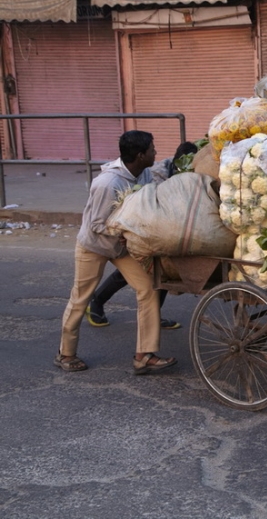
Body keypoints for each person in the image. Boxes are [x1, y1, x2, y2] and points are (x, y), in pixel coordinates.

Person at [54, 130, 177, 374]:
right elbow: (97, 225)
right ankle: (66, 354)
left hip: (121, 248)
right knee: (80, 299)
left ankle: (144, 354)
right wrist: (129, 231)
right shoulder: (108, 183)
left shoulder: (144, 174)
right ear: (140, 155)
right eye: (152, 149)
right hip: (94, 246)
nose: (156, 153)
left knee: (149, 289)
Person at [85, 141, 199, 330]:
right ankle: (97, 300)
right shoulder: (157, 174)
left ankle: (153, 315)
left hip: (169, 227)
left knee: (162, 271)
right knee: (132, 270)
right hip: (142, 225)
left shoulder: (193, 172)